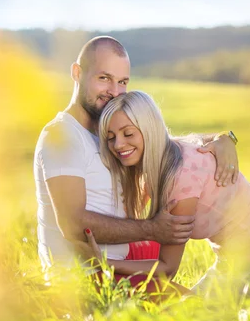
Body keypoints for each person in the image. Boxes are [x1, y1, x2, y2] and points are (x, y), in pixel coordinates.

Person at [33, 36, 239, 288]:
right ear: (77, 73)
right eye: (104, 78)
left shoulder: (109, 135)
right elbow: (72, 224)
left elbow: (158, 142)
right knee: (199, 315)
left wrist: (222, 139)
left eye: (122, 82)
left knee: (205, 308)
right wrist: (152, 229)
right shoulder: (62, 135)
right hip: (84, 277)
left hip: (119, 263)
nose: (114, 91)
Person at [85, 90, 250, 294]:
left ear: (150, 130)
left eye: (128, 133)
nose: (118, 145)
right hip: (229, 262)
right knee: (185, 312)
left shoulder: (180, 178)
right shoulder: (161, 159)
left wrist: (107, 263)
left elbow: (167, 268)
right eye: (110, 137)